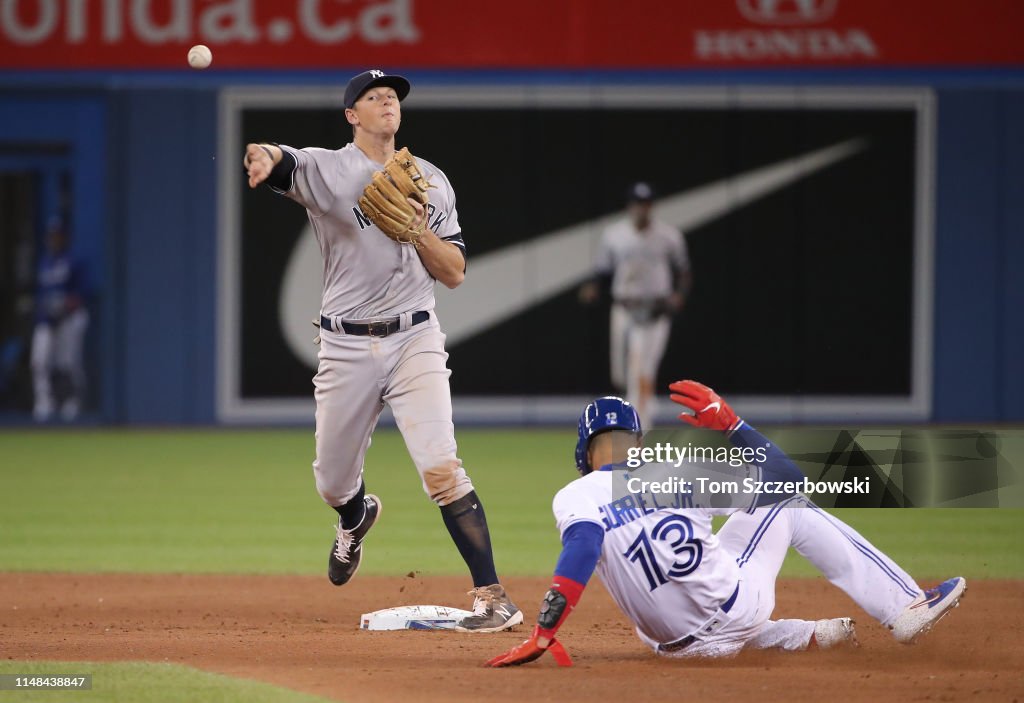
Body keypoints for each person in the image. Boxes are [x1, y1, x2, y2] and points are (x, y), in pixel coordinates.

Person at [242, 69, 521, 632]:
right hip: (344, 344)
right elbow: (284, 159)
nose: (386, 99)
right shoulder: (330, 168)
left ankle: (493, 597)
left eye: (392, 94)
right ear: (353, 115)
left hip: (414, 337)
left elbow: (456, 273)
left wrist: (419, 232)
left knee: (442, 467)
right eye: (372, 96)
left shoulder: (432, 181)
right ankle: (354, 517)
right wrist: (263, 157)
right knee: (331, 480)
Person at [486, 381, 966, 665]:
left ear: (582, 452)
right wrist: (733, 427)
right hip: (738, 611)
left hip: (673, 648)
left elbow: (585, 546)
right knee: (788, 502)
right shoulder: (676, 469)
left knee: (680, 583)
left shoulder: (574, 494)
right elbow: (786, 478)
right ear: (637, 441)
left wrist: (546, 629)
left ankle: (811, 635)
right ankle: (904, 606)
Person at [579, 182, 690, 429]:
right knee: (621, 374)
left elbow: (683, 271)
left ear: (652, 206)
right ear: (630, 206)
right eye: (637, 203)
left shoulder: (668, 236)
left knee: (641, 368)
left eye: (646, 203)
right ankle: (641, 411)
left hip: (655, 311)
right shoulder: (615, 234)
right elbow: (603, 271)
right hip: (624, 309)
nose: (642, 208)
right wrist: (594, 286)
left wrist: (679, 296)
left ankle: (641, 425)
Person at [31, 217, 90, 422]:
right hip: (47, 319)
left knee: (68, 363)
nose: (54, 239)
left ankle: (72, 401)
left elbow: (82, 294)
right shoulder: (44, 262)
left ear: (65, 237)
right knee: (39, 360)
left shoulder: (74, 260)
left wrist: (66, 305)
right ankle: (44, 403)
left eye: (58, 235)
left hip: (69, 319)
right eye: (51, 235)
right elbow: (40, 293)